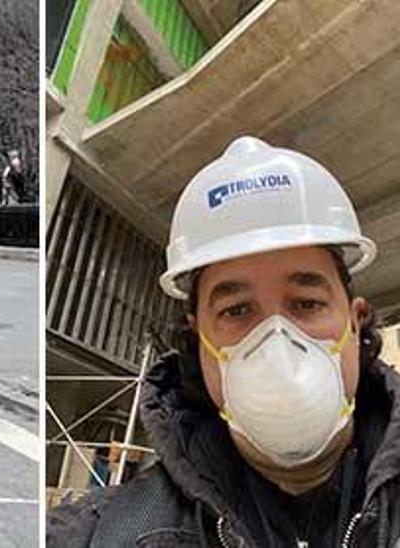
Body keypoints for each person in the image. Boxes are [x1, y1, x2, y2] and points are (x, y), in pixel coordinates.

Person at [48, 136, 400, 547]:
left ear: (355, 325)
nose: (276, 341)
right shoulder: (98, 535)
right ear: (199, 343)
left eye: (306, 303)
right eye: (237, 311)